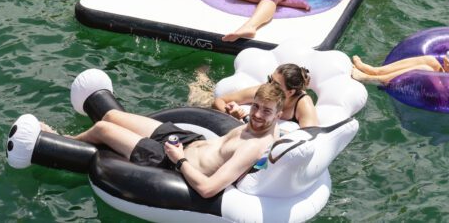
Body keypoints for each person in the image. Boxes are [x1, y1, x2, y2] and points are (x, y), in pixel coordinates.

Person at [41, 82, 286, 199]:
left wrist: (179, 160)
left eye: (266, 111)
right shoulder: (264, 128)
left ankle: (58, 140)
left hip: (170, 160)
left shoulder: (254, 146)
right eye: (255, 106)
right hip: (189, 140)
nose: (257, 114)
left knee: (103, 129)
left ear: (279, 115)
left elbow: (208, 189)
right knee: (112, 115)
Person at [213, 64, 318, 127]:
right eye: (270, 79)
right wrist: (231, 115)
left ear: (290, 92)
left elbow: (311, 138)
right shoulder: (263, 90)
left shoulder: (302, 104)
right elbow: (219, 101)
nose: (269, 85)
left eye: (276, 84)